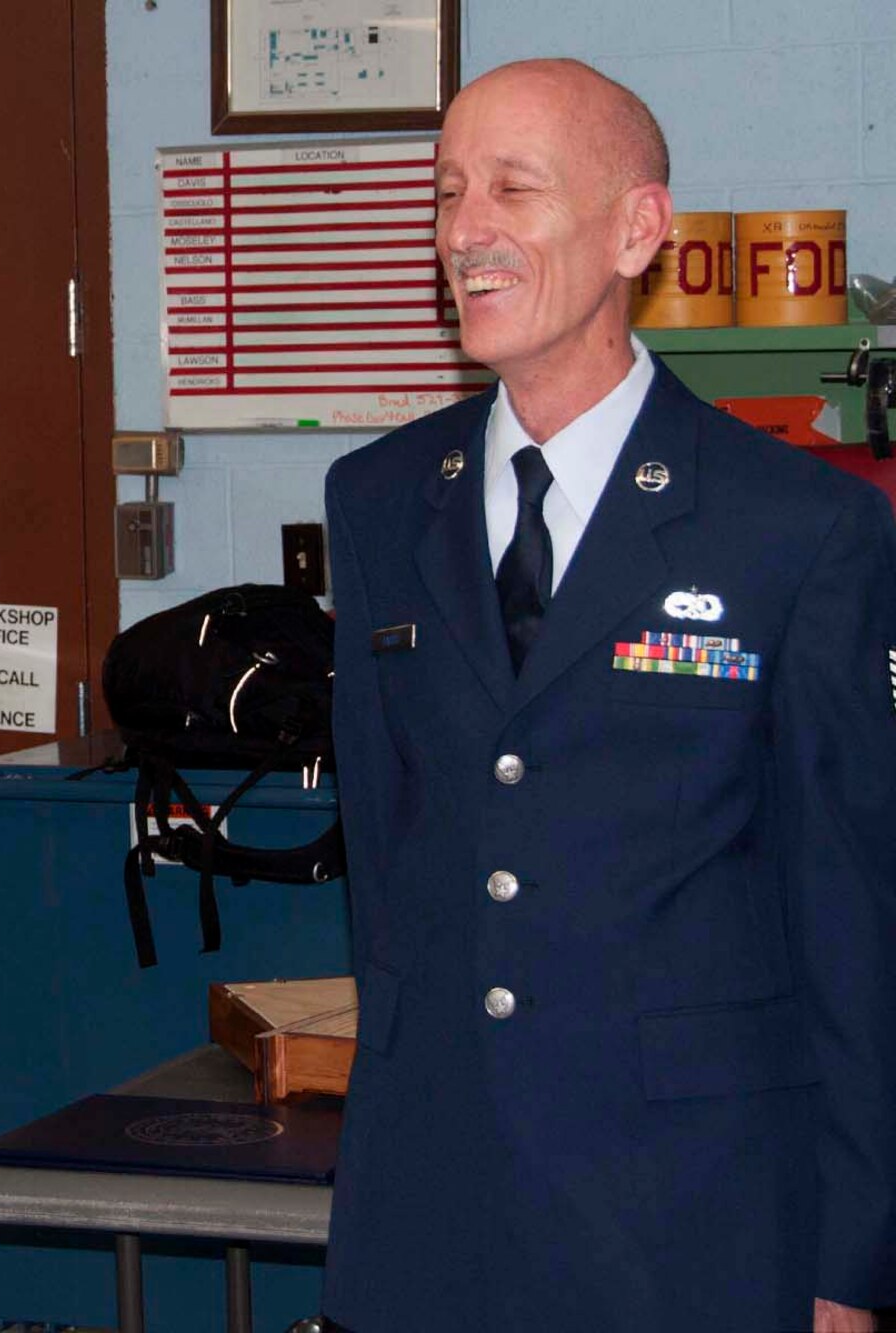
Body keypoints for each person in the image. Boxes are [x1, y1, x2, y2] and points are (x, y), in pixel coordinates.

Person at [321, 57, 896, 1332]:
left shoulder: (792, 527)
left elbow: (850, 918)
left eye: (512, 190)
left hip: (693, 1213)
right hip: (439, 1200)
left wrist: (849, 1254)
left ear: (636, 228)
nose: (461, 231)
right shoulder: (375, 503)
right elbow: (389, 870)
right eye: (447, 192)